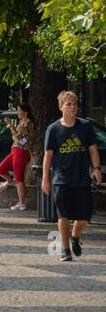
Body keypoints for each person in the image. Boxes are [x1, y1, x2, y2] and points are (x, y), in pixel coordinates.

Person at [41, 91, 101, 262]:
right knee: (63, 215)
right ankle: (65, 249)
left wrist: (96, 168)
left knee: (84, 217)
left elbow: (92, 149)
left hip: (82, 177)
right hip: (61, 178)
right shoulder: (53, 129)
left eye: (74, 104)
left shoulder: (85, 126)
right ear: (61, 107)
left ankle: (75, 236)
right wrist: (46, 178)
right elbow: (48, 156)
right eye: (68, 104)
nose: (72, 107)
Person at [0, 103, 35, 211]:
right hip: (15, 150)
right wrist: (13, 129)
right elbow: (16, 137)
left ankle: (21, 203)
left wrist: (12, 126)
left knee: (19, 177)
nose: (18, 112)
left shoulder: (28, 123)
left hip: (21, 151)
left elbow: (23, 139)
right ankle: (9, 181)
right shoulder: (21, 122)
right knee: (1, 169)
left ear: (25, 112)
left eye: (19, 110)